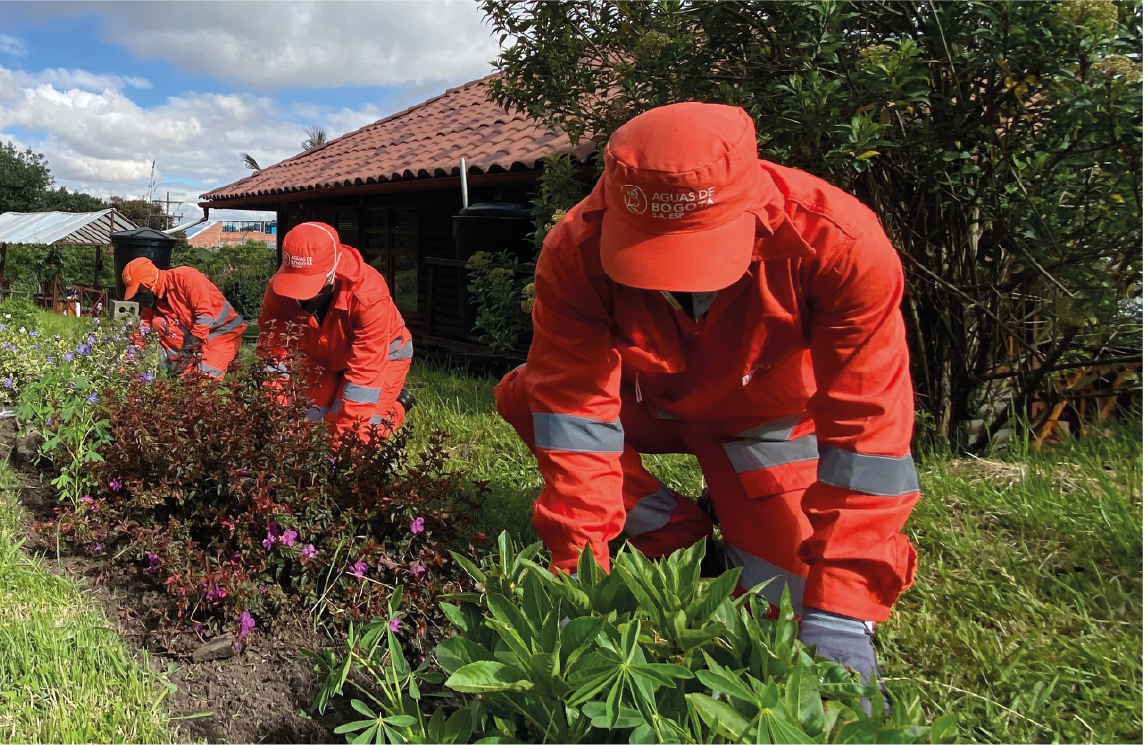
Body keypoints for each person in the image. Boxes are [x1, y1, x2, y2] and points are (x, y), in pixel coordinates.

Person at [494, 102, 918, 685]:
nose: (673, 277)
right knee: (530, 397)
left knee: (789, 612)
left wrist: (843, 607)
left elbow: (869, 432)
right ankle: (675, 528)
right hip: (654, 406)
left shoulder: (839, 242)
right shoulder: (574, 250)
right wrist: (577, 575)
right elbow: (575, 412)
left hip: (763, 425)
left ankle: (745, 512)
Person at [259, 222, 415, 439]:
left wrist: (341, 448)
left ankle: (399, 406)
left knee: (358, 436)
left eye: (312, 287)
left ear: (334, 269)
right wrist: (277, 413)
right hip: (324, 357)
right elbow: (273, 352)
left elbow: (364, 375)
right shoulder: (278, 291)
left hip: (383, 356)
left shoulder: (369, 295)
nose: (303, 298)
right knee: (306, 425)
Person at [121, 257, 246, 378]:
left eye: (139, 290)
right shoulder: (156, 297)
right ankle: (181, 366)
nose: (138, 296)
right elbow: (144, 326)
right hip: (197, 334)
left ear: (148, 282)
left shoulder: (186, 277)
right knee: (158, 323)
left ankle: (227, 359)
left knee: (203, 383)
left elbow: (205, 317)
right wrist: (129, 359)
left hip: (222, 333)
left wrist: (188, 351)